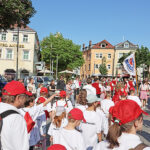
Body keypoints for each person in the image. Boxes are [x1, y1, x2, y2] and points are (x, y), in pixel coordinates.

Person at [0, 81, 29, 150]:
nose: (26, 99)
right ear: (18, 98)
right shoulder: (17, 118)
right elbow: (22, 147)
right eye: (25, 96)